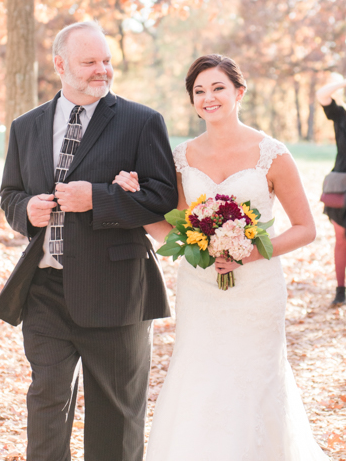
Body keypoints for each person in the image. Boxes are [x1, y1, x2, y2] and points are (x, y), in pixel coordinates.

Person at [113, 54, 326, 460]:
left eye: (217, 88)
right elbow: (174, 231)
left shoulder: (273, 154)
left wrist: (248, 255)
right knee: (201, 377)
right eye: (199, 91)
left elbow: (306, 229)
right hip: (201, 290)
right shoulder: (181, 157)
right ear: (192, 101)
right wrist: (135, 204)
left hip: (257, 290)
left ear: (238, 92)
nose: (208, 98)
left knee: (253, 381)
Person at [0, 21, 178, 461]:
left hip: (116, 291)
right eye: (90, 62)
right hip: (45, 292)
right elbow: (9, 194)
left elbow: (162, 198)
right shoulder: (26, 126)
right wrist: (26, 212)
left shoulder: (141, 122)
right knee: (45, 411)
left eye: (107, 61)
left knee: (115, 422)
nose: (103, 70)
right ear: (60, 64)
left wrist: (96, 198)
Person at [315, 77, 346, 305]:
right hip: (341, 187)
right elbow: (322, 95)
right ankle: (340, 290)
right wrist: (342, 81)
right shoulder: (341, 116)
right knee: (341, 238)